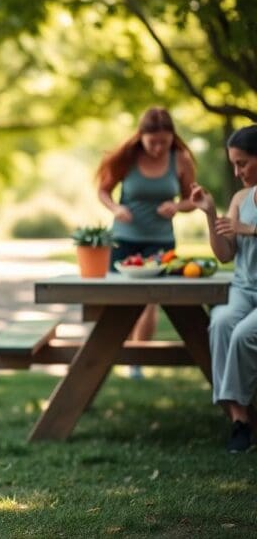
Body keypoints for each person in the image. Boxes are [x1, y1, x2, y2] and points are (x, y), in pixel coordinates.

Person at [96, 106, 197, 379]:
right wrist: (116, 209)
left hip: (160, 242)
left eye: (164, 142)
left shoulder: (181, 159)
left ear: (172, 138)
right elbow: (103, 191)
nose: (157, 148)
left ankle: (135, 362)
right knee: (120, 302)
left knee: (149, 302)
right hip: (124, 239)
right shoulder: (127, 158)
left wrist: (177, 207)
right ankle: (122, 352)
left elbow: (193, 199)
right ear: (140, 136)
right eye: (152, 142)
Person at [190, 124, 257, 453]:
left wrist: (249, 228)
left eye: (242, 163)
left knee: (245, 333)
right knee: (219, 322)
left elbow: (244, 231)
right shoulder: (241, 198)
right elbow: (225, 254)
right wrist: (210, 214)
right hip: (245, 290)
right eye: (233, 163)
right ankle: (239, 420)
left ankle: (241, 417)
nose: (237, 170)